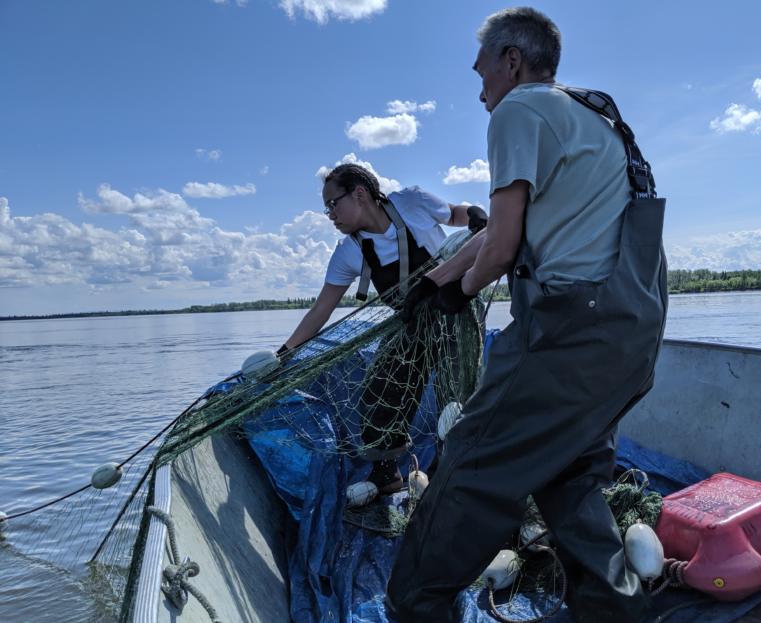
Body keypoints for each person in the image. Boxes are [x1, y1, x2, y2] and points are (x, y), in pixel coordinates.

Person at [387, 7, 667, 623]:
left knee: (473, 461)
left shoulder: (518, 109)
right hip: (630, 333)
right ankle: (618, 613)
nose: (478, 82)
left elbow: (504, 242)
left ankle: (414, 606)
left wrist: (456, 294)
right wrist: (435, 281)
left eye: (482, 66)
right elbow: (497, 238)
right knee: (569, 478)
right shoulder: (594, 113)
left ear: (512, 60)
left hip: (567, 331)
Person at [280, 163, 486, 498]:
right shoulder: (349, 253)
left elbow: (453, 215)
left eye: (333, 203)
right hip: (410, 322)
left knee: (457, 392)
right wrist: (286, 352)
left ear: (360, 194)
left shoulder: (412, 202)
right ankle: (386, 473)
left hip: (455, 312)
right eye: (326, 207)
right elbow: (321, 309)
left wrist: (474, 214)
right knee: (381, 384)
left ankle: (453, 471)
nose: (330, 214)